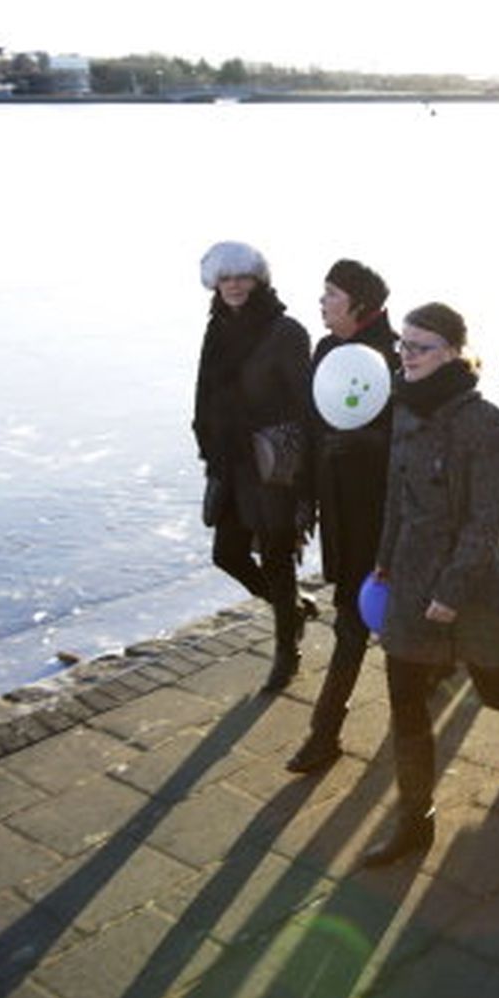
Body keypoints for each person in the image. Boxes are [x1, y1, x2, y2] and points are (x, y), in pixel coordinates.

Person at [364, 302, 499, 867]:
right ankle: (415, 820)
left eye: (420, 346)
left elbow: (485, 519)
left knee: (494, 687)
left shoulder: (483, 421)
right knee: (405, 702)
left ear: (452, 350)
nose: (406, 356)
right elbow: (395, 493)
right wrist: (384, 557)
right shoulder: (403, 409)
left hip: (468, 585)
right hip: (408, 572)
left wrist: (450, 592)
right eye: (403, 345)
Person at [286, 259, 398, 774]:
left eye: (331, 294)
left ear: (358, 304)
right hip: (338, 510)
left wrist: (359, 444)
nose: (322, 302)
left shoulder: (393, 359)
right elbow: (312, 426)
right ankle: (443, 666)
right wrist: (304, 497)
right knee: (361, 614)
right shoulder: (328, 350)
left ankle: (324, 732)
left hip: (381, 518)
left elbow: (407, 449)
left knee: (354, 621)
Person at [192, 241, 314, 695]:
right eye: (225, 278)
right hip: (229, 462)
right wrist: (206, 442)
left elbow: (306, 406)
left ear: (258, 279)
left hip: (272, 466)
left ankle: (287, 651)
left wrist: (304, 482)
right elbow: (204, 389)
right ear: (215, 284)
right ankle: (293, 610)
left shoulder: (286, 331)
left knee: (279, 561)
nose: (234, 285)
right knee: (227, 554)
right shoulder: (217, 327)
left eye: (242, 276)